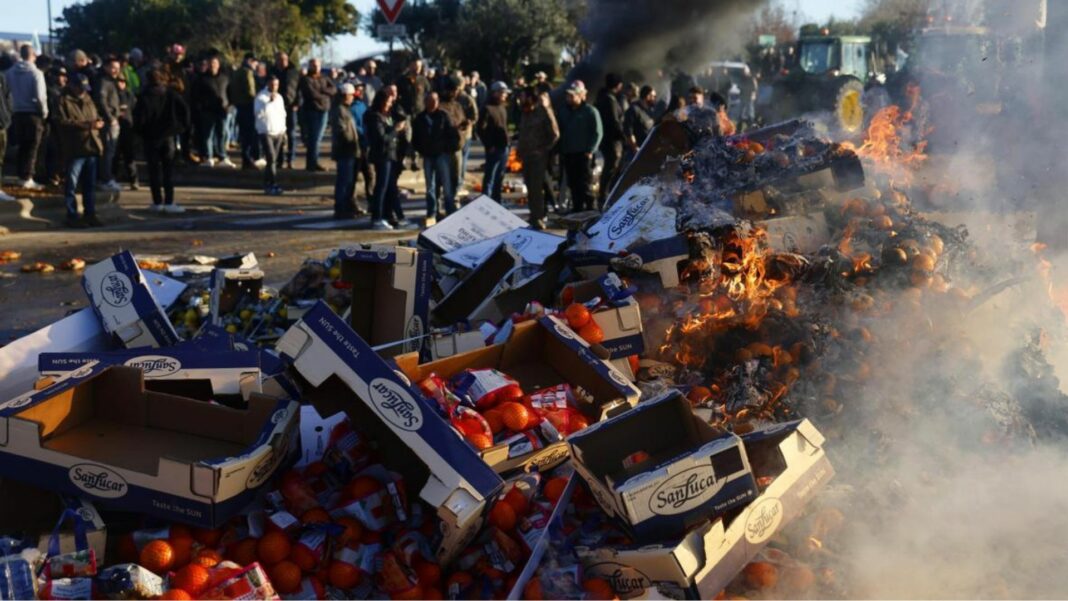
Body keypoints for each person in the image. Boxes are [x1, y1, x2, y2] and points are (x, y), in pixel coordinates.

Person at [134, 69, 190, 213]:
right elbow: (185, 111)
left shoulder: (144, 97)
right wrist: (180, 128)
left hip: (150, 137)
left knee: (153, 171)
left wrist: (141, 133)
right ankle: (169, 201)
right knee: (168, 170)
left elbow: (139, 119)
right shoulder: (171, 94)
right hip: (168, 136)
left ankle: (157, 201)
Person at [56, 73, 105, 227]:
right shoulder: (63, 101)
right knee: (71, 183)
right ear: (72, 86)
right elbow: (62, 122)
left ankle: (90, 213)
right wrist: (87, 125)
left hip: (91, 145)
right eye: (79, 88)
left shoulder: (88, 99)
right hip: (75, 147)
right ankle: (72, 215)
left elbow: (96, 115)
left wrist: (98, 123)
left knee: (89, 185)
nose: (82, 91)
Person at [412, 91, 460, 225]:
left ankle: (450, 210)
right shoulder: (420, 118)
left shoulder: (444, 116)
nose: (433, 103)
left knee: (446, 184)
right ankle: (432, 212)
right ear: (425, 102)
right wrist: (421, 149)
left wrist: (447, 149)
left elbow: (453, 134)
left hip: (442, 155)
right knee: (430, 186)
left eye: (435, 100)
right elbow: (415, 138)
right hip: (428, 155)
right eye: (430, 100)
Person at [6, 44, 48, 190]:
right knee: (32, 146)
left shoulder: (10, 72)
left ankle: (20, 175)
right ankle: (28, 176)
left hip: (17, 112)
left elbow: (7, 92)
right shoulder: (36, 73)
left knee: (22, 145)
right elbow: (40, 96)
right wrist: (44, 112)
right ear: (33, 55)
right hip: (32, 113)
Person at [517, 87, 560, 230]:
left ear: (530, 97)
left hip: (538, 157)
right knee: (529, 187)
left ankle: (539, 217)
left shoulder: (543, 112)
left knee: (536, 189)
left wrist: (543, 150)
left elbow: (555, 134)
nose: (520, 99)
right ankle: (533, 215)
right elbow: (523, 134)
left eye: (523, 96)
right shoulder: (525, 112)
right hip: (526, 156)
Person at [365, 91, 407, 231]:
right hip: (382, 155)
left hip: (391, 154)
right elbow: (381, 138)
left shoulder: (387, 115)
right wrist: (395, 130)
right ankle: (377, 217)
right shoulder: (374, 117)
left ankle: (395, 216)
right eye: (387, 102)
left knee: (391, 188)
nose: (389, 105)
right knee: (381, 187)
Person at [557, 80, 601, 213]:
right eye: (568, 95)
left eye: (573, 95)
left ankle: (590, 211)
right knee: (573, 185)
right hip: (568, 154)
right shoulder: (563, 112)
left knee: (586, 185)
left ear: (581, 95)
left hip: (583, 155)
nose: (569, 98)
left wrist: (590, 150)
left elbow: (598, 133)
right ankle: (577, 211)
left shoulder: (590, 111)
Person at [192, 55, 233, 167]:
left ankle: (222, 156)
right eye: (210, 63)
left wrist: (229, 106)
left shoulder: (225, 78)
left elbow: (230, 93)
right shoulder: (201, 79)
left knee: (222, 134)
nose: (212, 66)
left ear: (218, 65)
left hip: (223, 111)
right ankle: (208, 157)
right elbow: (196, 95)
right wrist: (201, 107)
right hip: (207, 111)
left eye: (214, 63)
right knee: (208, 135)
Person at [440, 75, 477, 197]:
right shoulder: (446, 100)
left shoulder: (466, 99)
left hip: (464, 135)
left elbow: (474, 116)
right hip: (451, 137)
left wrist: (467, 123)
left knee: (461, 162)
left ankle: (458, 184)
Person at [298, 58, 336, 172]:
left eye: (317, 65)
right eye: (313, 65)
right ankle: (311, 163)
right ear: (309, 66)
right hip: (312, 110)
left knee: (318, 138)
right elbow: (311, 94)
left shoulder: (324, 77)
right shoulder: (306, 79)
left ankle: (314, 162)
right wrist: (325, 94)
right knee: (314, 138)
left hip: (324, 110)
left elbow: (333, 89)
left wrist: (322, 90)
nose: (315, 67)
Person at [331, 83, 362, 219]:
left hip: (351, 150)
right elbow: (342, 131)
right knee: (344, 181)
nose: (352, 99)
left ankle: (347, 206)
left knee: (349, 181)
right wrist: (351, 141)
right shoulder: (339, 110)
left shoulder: (345, 109)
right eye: (351, 96)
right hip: (345, 151)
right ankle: (341, 208)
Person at [595, 73, 625, 207]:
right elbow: (614, 121)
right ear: (618, 85)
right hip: (612, 140)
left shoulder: (603, 97)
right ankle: (604, 196)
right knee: (611, 168)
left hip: (607, 139)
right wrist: (624, 137)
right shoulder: (609, 99)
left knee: (611, 168)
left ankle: (605, 195)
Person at [477, 81, 510, 201]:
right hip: (494, 148)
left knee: (499, 178)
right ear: (495, 93)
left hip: (504, 146)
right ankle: (485, 201)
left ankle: (497, 202)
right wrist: (489, 144)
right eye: (502, 93)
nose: (504, 95)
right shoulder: (487, 108)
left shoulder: (503, 107)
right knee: (490, 177)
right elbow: (480, 129)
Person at [255, 75, 287, 196]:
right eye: (272, 84)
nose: (274, 87)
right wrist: (269, 103)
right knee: (271, 158)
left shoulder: (279, 97)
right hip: (266, 131)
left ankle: (268, 182)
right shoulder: (261, 97)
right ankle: (272, 183)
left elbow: (282, 114)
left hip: (278, 131)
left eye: (276, 85)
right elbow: (258, 113)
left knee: (273, 160)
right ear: (268, 84)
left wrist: (284, 130)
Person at [230, 53, 261, 170]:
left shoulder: (237, 71)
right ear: (250, 61)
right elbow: (251, 90)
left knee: (244, 135)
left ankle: (246, 159)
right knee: (250, 135)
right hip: (249, 106)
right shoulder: (248, 72)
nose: (256, 65)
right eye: (255, 62)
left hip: (239, 106)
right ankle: (248, 159)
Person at [271, 51, 301, 170]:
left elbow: (299, 88)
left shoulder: (294, 72)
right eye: (280, 59)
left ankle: (291, 159)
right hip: (276, 107)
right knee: (277, 135)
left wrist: (297, 103)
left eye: (285, 59)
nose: (283, 61)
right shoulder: (272, 72)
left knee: (292, 134)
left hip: (291, 106)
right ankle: (279, 160)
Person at [115, 74, 139, 190]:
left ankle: (134, 179)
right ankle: (113, 177)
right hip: (116, 126)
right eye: (119, 81)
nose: (121, 83)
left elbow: (134, 108)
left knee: (129, 156)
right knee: (115, 155)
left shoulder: (129, 95)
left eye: (123, 81)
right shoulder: (114, 94)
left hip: (128, 127)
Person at [624, 84, 657, 159]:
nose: (655, 99)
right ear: (648, 96)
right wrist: (635, 148)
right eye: (653, 96)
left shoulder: (649, 111)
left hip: (648, 152)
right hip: (636, 154)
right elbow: (628, 132)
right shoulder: (633, 110)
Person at [0, 68, 14, 201]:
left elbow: (8, 96)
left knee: (0, 159)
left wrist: (7, 116)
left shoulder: (1, 77)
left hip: (1, 124)